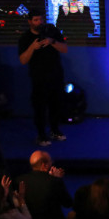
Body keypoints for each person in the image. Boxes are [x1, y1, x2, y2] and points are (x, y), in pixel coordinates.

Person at [18, 8, 68, 146]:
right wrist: (32, 47)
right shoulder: (25, 38)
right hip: (39, 78)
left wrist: (52, 41)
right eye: (35, 20)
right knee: (40, 108)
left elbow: (64, 49)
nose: (39, 22)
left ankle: (55, 130)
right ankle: (41, 135)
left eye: (40, 19)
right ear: (30, 22)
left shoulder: (52, 31)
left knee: (56, 105)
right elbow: (23, 60)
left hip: (56, 76)